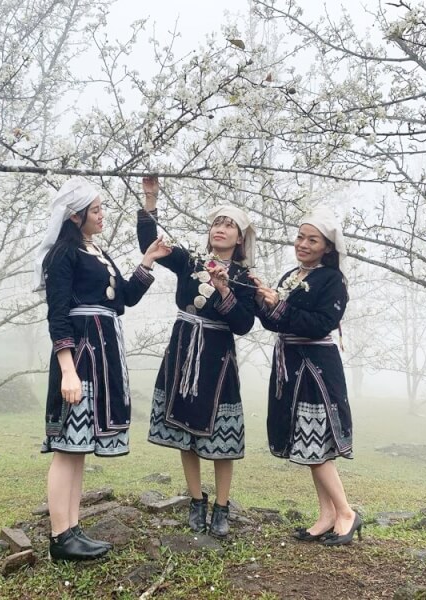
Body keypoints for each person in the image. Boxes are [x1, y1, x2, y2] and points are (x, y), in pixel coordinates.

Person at [35, 177, 170, 561]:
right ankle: (60, 536)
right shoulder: (63, 255)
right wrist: (67, 370)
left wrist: (148, 261)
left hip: (103, 352)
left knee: (79, 449)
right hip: (79, 357)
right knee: (66, 447)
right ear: (75, 216)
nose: (102, 215)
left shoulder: (96, 251)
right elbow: (58, 316)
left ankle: (72, 528)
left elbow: (123, 299)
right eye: (96, 210)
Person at [137, 176, 256, 538]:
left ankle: (222, 506)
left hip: (217, 360)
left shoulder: (245, 278)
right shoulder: (190, 261)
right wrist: (150, 198)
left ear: (240, 238)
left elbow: (244, 324)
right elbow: (150, 243)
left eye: (229, 225)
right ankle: (195, 500)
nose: (220, 229)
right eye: (217, 223)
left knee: (221, 438)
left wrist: (223, 289)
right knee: (184, 432)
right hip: (182, 349)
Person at [253, 210, 361, 546]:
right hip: (291, 365)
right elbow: (275, 322)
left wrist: (280, 307)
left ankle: (346, 513)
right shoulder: (291, 275)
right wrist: (263, 301)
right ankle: (327, 515)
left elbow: (321, 323)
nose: (303, 244)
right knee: (308, 444)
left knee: (316, 444)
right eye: (300, 237)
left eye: (312, 240)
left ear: (327, 247)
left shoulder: (332, 280)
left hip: (316, 368)